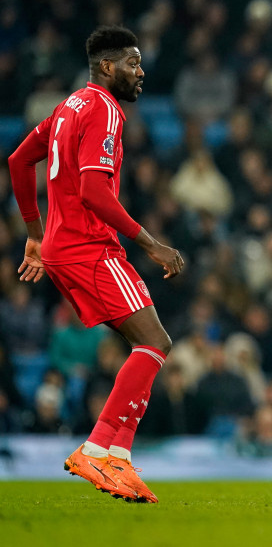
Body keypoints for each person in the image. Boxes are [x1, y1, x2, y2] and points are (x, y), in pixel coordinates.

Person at [8, 25, 185, 503]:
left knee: (148, 345)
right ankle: (96, 449)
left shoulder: (68, 106)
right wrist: (151, 244)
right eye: (133, 62)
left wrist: (34, 235)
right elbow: (93, 191)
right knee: (155, 342)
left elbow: (19, 161)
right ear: (108, 66)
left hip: (63, 247)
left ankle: (118, 458)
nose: (140, 71)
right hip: (88, 247)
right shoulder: (105, 110)